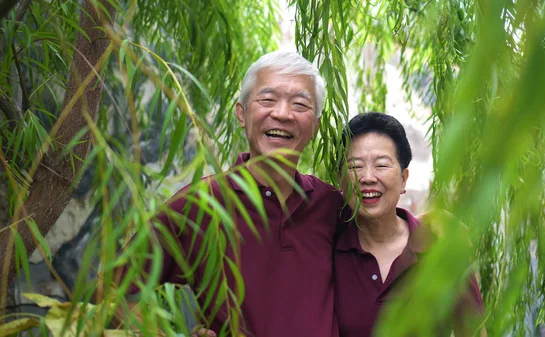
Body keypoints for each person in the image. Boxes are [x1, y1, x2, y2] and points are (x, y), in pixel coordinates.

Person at [117, 51, 343, 337]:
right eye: (268, 99)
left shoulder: (331, 206)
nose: (283, 114)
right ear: (241, 113)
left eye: (300, 104)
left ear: (315, 125)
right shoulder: (200, 204)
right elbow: (117, 289)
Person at [334, 112, 485, 337]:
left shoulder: (441, 248)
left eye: (381, 165)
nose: (367, 177)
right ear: (340, 180)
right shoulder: (327, 248)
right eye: (355, 166)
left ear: (404, 179)